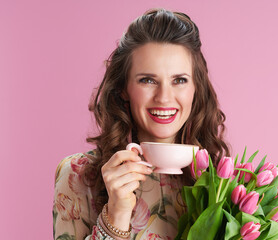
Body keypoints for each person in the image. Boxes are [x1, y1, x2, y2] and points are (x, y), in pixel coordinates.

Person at [53, 8, 230, 240]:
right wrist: (116, 215)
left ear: (196, 89)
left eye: (179, 80)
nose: (164, 97)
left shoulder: (221, 182)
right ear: (124, 89)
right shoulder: (79, 176)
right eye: (147, 80)